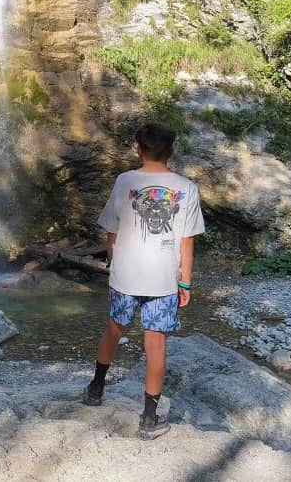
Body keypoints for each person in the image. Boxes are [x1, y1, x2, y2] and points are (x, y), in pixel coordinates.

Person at [82, 121, 205, 440]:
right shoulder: (187, 188)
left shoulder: (125, 181)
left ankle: (95, 389)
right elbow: (186, 242)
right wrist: (186, 282)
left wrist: (114, 261)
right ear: (172, 151)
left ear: (138, 149)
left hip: (125, 275)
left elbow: (111, 232)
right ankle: (149, 419)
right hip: (164, 279)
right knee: (156, 344)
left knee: (114, 329)